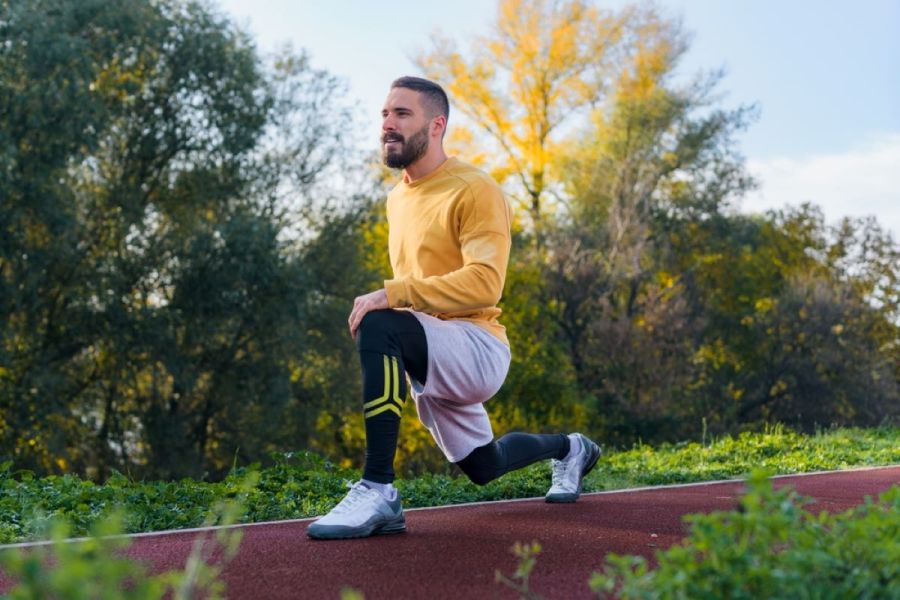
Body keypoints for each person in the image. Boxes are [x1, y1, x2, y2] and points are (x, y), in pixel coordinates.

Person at [307, 76, 600, 540]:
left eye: (402, 115)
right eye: (385, 114)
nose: (388, 124)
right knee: (486, 465)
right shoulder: (397, 199)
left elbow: (486, 282)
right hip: (431, 348)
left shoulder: (474, 188)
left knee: (380, 321)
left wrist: (394, 294)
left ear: (437, 125)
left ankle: (378, 487)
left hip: (477, 346)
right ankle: (571, 448)